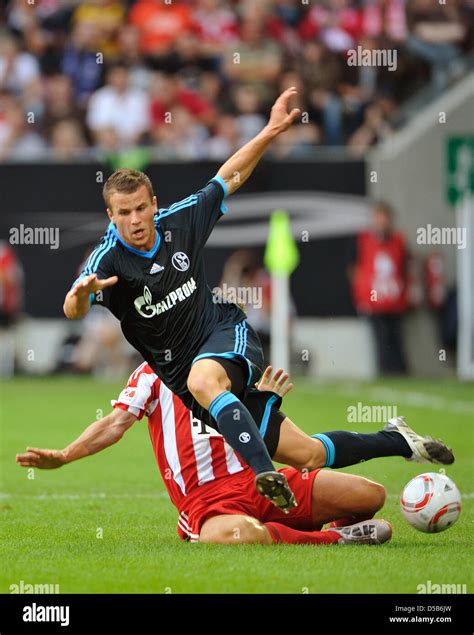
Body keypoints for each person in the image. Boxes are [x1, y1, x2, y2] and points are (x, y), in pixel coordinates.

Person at [63, 87, 305, 513]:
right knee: (310, 453)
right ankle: (394, 440)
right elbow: (73, 309)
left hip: (220, 334)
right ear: (111, 216)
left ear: (153, 204)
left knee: (204, 381)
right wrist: (80, 297)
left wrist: (268, 132)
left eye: (141, 208)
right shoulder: (106, 259)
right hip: (177, 369)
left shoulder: (180, 220)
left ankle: (264, 474)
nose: (134, 220)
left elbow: (228, 176)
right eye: (123, 213)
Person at [15, 366, 454, 545]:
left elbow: (262, 426)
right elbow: (113, 425)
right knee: (238, 536)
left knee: (370, 496)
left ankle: (389, 449)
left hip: (260, 482)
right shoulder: (150, 374)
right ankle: (337, 539)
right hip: (206, 502)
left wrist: (262, 399)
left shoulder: (223, 367)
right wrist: (66, 455)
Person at [349, 201, 409, 375]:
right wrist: (360, 294)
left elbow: (404, 268)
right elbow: (354, 269)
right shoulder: (363, 240)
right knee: (381, 339)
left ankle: (400, 372)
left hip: (394, 300)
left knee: (396, 338)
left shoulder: (398, 241)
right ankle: (385, 371)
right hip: (373, 300)